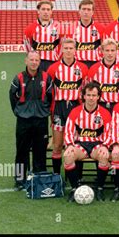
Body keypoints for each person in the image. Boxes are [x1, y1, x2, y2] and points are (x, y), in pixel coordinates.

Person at [9, 51, 54, 190]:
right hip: (24, 121)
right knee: (21, 150)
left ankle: (38, 177)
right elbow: (12, 97)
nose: (34, 62)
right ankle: (20, 180)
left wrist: (43, 110)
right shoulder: (19, 78)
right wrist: (20, 111)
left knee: (39, 150)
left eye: (36, 60)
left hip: (41, 120)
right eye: (31, 59)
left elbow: (51, 97)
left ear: (40, 62)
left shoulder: (46, 78)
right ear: (26, 61)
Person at [63, 82, 112, 202]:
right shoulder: (75, 111)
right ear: (84, 96)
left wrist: (105, 146)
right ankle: (75, 189)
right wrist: (69, 145)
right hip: (81, 144)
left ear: (98, 97)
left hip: (98, 144)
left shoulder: (105, 113)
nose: (91, 98)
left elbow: (110, 133)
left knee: (104, 156)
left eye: (94, 95)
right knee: (68, 156)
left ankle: (99, 188)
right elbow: (68, 131)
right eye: (89, 95)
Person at [47, 38, 88, 174]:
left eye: (71, 48)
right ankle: (57, 176)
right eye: (66, 48)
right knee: (58, 145)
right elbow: (49, 92)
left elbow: (86, 91)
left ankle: (77, 177)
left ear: (75, 50)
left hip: (76, 108)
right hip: (59, 108)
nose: (69, 51)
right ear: (62, 49)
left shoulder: (82, 68)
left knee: (76, 144)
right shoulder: (53, 69)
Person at [87, 38, 119, 113]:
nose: (110, 53)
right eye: (107, 50)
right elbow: (88, 89)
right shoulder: (94, 69)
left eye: (112, 50)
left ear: (116, 51)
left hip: (117, 106)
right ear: (102, 51)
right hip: (99, 106)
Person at [24, 0, 63, 72]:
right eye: (43, 9)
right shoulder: (30, 28)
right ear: (38, 11)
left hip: (54, 62)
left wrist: (58, 60)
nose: (46, 12)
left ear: (51, 11)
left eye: (48, 9)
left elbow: (63, 45)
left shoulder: (59, 27)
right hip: (37, 63)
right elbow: (28, 47)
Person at [68, 0, 106, 68]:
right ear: (79, 11)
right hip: (77, 64)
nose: (86, 12)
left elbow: (105, 47)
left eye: (88, 9)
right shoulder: (71, 28)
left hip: (96, 64)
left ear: (93, 12)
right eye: (84, 9)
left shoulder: (101, 28)